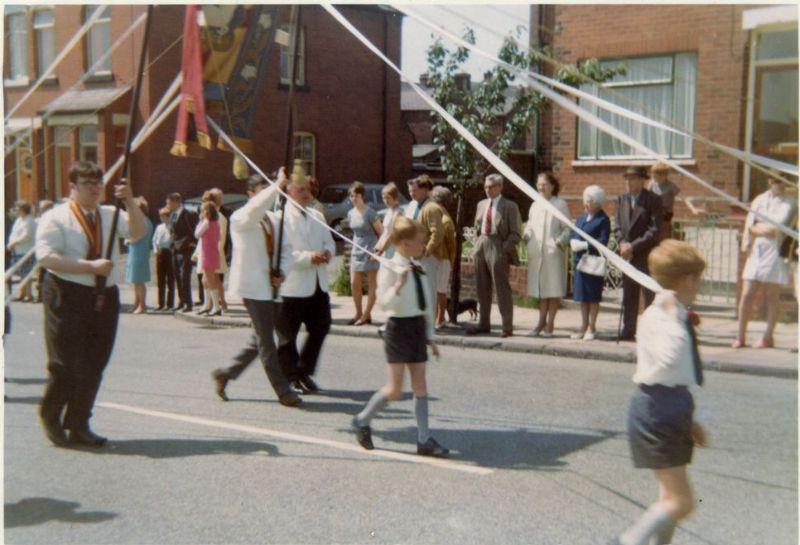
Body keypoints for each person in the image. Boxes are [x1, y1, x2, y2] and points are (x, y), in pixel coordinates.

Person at [36, 161, 146, 447]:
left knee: (95, 362)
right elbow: (46, 258)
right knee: (66, 363)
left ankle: (79, 423)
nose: (95, 188)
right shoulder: (56, 217)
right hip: (67, 293)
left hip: (103, 296)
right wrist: (89, 266)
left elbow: (138, 233)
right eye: (88, 183)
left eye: (98, 183)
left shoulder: (110, 214)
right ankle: (51, 416)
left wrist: (130, 201)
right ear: (72, 187)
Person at [610, 239, 708, 545]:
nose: (699, 286)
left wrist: (690, 422)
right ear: (686, 280)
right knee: (681, 502)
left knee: (670, 498)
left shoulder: (670, 312)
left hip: (670, 408)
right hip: (657, 410)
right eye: (697, 280)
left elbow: (679, 375)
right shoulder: (660, 316)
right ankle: (627, 541)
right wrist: (675, 319)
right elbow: (669, 360)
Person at [351, 215, 448, 457]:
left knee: (420, 385)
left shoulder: (419, 267)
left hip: (416, 327)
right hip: (397, 328)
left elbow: (425, 305)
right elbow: (384, 303)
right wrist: (398, 285)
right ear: (404, 243)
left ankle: (424, 439)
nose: (423, 245)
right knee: (395, 389)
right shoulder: (390, 267)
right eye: (419, 241)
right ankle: (362, 420)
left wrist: (430, 336)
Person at [211, 170, 301, 407]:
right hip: (252, 288)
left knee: (259, 340)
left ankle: (226, 373)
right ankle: (283, 390)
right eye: (262, 190)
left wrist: (282, 271)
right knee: (267, 342)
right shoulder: (241, 217)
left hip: (271, 288)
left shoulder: (275, 219)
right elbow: (255, 209)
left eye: (268, 189)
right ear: (250, 194)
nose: (267, 194)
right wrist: (277, 185)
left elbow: (287, 250)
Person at [275, 163, 336, 394]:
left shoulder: (317, 214)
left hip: (318, 284)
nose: (305, 191)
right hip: (293, 286)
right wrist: (310, 257)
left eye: (307, 188)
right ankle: (291, 377)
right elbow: (284, 254)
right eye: (300, 188)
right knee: (287, 336)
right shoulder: (281, 218)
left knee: (321, 325)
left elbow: (330, 241)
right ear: (288, 190)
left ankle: (303, 370)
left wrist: (328, 253)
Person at [734, 175, 797, 349]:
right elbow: (750, 224)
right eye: (775, 180)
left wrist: (759, 227)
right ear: (769, 181)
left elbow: (778, 226)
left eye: (782, 180)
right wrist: (753, 233)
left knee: (771, 295)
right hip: (756, 250)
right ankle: (740, 336)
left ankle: (767, 337)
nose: (778, 183)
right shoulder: (759, 200)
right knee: (747, 293)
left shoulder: (790, 202)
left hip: (776, 251)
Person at [467, 173, 522, 337]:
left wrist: (504, 249)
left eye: (491, 187)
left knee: (501, 288)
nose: (488, 190)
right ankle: (483, 323)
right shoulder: (481, 204)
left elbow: (516, 233)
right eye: (486, 187)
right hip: (482, 244)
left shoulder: (510, 206)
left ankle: (507, 326)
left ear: (500, 187)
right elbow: (477, 227)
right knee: (482, 287)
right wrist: (476, 245)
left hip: (498, 245)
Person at [615, 166, 663, 341]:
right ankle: (629, 329)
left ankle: (650, 332)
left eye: (633, 178)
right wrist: (622, 243)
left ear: (642, 180)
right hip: (627, 255)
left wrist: (633, 246)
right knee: (629, 294)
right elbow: (618, 225)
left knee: (648, 295)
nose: (628, 182)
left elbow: (655, 230)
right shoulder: (622, 199)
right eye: (627, 178)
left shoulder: (653, 200)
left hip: (645, 254)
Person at [524, 172, 571, 337]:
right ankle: (540, 323)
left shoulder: (560, 204)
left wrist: (559, 242)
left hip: (553, 253)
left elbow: (567, 228)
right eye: (539, 184)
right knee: (542, 291)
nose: (541, 187)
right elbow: (530, 225)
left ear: (552, 186)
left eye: (544, 184)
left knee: (553, 290)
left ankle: (550, 324)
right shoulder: (535, 205)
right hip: (538, 253)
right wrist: (527, 235)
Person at [569, 185, 611, 341]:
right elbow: (574, 233)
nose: (586, 204)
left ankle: (592, 327)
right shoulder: (581, 218)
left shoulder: (603, 219)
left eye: (589, 201)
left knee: (592, 296)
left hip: (593, 262)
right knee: (582, 297)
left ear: (598, 203)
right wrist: (572, 241)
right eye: (585, 200)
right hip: (580, 262)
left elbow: (603, 240)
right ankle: (583, 325)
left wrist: (585, 245)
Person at [404, 175, 445, 305]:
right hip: (414, 255)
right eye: (410, 191)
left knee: (428, 291)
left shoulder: (431, 208)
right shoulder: (413, 205)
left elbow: (437, 232)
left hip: (428, 257)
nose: (412, 194)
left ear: (425, 190)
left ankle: (429, 323)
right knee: (416, 292)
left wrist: (428, 250)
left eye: (414, 190)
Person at [347, 181, 383, 325]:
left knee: (372, 283)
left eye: (355, 195)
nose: (353, 198)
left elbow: (381, 232)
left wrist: (378, 252)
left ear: (362, 195)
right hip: (357, 248)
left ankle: (367, 315)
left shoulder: (370, 213)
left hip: (370, 248)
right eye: (350, 196)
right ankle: (358, 313)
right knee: (354, 282)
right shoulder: (350, 213)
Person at [194, 189, 229, 314]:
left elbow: (220, 238)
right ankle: (208, 304)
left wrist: (217, 252)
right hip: (207, 251)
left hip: (212, 252)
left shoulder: (218, 219)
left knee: (214, 279)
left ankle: (218, 305)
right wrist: (197, 253)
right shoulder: (214, 219)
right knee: (207, 279)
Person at [166, 192, 198, 312]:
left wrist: (192, 243)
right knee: (177, 277)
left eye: (169, 203)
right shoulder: (173, 215)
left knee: (185, 277)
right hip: (175, 249)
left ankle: (188, 303)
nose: (167, 205)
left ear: (176, 202)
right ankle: (181, 300)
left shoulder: (188, 214)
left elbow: (194, 230)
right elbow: (172, 231)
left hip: (186, 250)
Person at [430, 186, 457, 329]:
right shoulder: (439, 216)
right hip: (436, 259)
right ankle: (436, 317)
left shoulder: (445, 220)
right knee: (436, 289)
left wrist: (451, 261)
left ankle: (440, 318)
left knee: (440, 290)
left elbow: (452, 244)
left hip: (443, 259)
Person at [125, 197, 153, 314]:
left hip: (139, 253)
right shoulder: (141, 220)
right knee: (135, 280)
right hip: (136, 252)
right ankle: (136, 303)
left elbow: (138, 236)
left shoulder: (143, 221)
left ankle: (142, 305)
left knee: (139, 281)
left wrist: (128, 241)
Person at [7, 201, 37, 301]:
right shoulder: (19, 220)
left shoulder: (29, 220)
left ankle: (28, 295)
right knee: (21, 273)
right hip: (17, 250)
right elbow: (13, 233)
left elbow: (26, 236)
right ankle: (21, 293)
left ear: (23, 209)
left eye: (17, 208)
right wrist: (11, 243)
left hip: (26, 251)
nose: (16, 210)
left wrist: (15, 242)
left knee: (26, 273)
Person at [647, 162, 681, 240]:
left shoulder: (671, 186)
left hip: (665, 212)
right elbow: (646, 196)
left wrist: (693, 208)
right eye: (653, 175)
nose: (653, 177)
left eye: (655, 175)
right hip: (654, 211)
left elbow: (683, 197)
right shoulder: (652, 183)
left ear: (663, 175)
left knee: (662, 230)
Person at [152, 207, 175, 311]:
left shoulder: (172, 226)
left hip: (169, 252)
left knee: (170, 279)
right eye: (160, 216)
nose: (162, 218)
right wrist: (156, 251)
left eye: (164, 216)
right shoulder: (159, 227)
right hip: (160, 252)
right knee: (160, 279)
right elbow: (154, 240)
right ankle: (160, 303)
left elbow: (173, 239)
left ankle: (170, 304)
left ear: (168, 216)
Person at [33, 200, 55, 303]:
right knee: (40, 274)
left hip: (52, 252)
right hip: (40, 251)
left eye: (44, 208)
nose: (41, 210)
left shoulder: (54, 219)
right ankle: (39, 295)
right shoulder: (38, 220)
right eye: (41, 208)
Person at [375, 182, 403, 260]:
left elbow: (391, 235)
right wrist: (378, 248)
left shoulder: (398, 213)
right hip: (386, 248)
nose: (386, 201)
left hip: (394, 249)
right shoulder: (389, 211)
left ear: (395, 198)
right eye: (384, 198)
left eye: (388, 198)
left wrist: (380, 251)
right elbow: (385, 233)